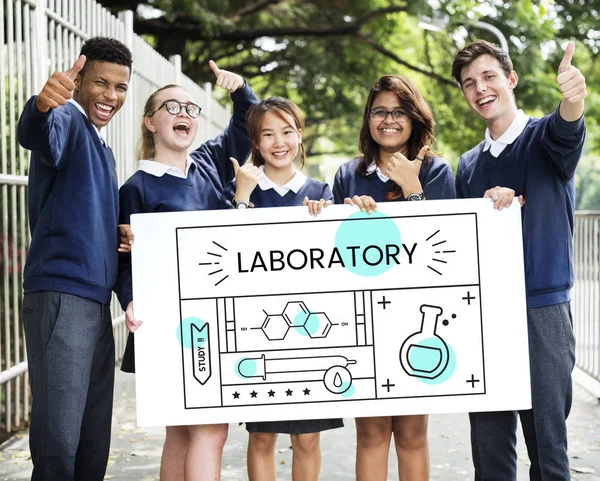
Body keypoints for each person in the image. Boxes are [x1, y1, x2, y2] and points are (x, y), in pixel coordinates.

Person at [115, 62, 258, 481]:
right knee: (203, 431)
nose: (184, 114)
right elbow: (125, 259)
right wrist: (129, 299)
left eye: (191, 109)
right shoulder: (135, 189)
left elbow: (244, 124)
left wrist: (240, 90)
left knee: (187, 432)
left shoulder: (210, 164)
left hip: (214, 317)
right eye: (171, 106)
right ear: (150, 121)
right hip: (169, 324)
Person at [451, 40, 586, 480]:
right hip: (484, 314)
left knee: (547, 446)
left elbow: (569, 125)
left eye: (489, 76)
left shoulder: (545, 138)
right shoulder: (467, 165)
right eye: (469, 83)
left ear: (511, 79)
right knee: (488, 446)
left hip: (541, 309)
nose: (480, 88)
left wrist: (574, 96)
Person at [16, 37, 132, 481]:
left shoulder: (102, 146)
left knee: (90, 439)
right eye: (101, 83)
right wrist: (42, 106)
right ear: (78, 80)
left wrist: (117, 232)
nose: (110, 96)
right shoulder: (65, 117)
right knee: (59, 440)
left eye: (120, 87)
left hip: (94, 301)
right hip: (61, 295)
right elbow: (37, 133)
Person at [332, 75, 456, 481]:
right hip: (362, 317)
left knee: (411, 433)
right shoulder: (348, 175)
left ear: (414, 117)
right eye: (379, 111)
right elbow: (331, 252)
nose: (388, 120)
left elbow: (443, 245)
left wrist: (412, 187)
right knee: (369, 433)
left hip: (414, 316)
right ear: (368, 119)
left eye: (398, 111)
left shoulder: (436, 170)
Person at [230, 97, 341, 481]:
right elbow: (229, 255)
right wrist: (241, 200)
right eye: (268, 134)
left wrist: (325, 220)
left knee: (308, 438)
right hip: (259, 331)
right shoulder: (242, 190)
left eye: (287, 132)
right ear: (255, 143)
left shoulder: (322, 192)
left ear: (299, 135)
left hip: (313, 332)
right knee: (262, 436)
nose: (279, 142)